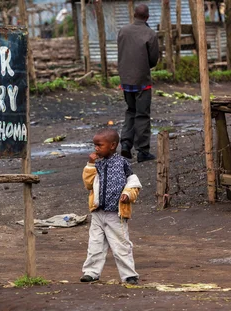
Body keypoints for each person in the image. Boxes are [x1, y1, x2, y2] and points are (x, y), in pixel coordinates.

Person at [80, 128, 142, 285]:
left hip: (116, 213)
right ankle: (91, 272)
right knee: (95, 244)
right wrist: (90, 165)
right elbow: (88, 184)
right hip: (98, 212)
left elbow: (133, 183)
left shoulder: (122, 163)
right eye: (95, 145)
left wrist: (128, 195)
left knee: (121, 245)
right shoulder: (96, 164)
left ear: (113, 145)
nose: (96, 148)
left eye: (99, 145)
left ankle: (129, 275)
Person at [117, 4, 160, 163]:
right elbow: (153, 60)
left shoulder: (123, 31)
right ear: (147, 17)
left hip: (126, 80)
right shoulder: (150, 34)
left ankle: (126, 144)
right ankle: (142, 150)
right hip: (142, 81)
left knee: (130, 111)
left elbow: (121, 53)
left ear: (134, 15)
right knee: (142, 114)